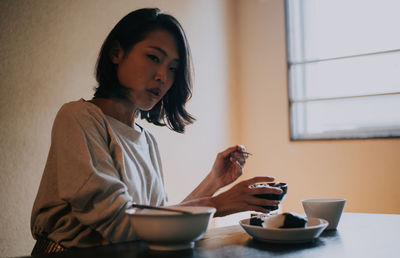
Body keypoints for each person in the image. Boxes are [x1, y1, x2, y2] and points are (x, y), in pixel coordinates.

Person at [30, 8, 283, 255]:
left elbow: (155, 222)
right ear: (116, 53)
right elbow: (121, 224)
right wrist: (221, 204)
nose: (163, 76)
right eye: (153, 57)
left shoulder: (147, 139)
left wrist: (213, 181)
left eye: (173, 68)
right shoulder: (79, 116)